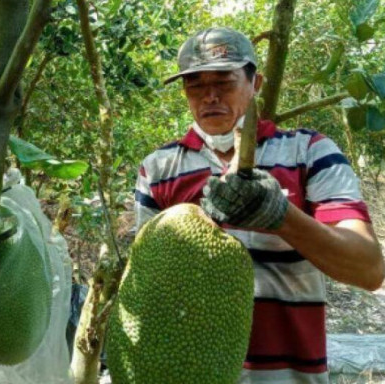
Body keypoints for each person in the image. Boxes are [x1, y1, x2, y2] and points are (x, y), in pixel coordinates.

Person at [134, 27, 385, 384]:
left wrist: (280, 216)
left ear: (256, 83)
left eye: (224, 81)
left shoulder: (311, 153)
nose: (209, 96)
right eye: (195, 85)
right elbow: (148, 286)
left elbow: (369, 269)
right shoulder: (158, 169)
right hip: (187, 374)